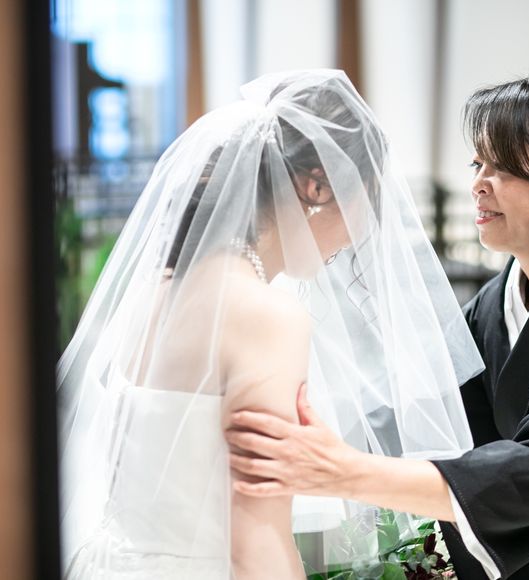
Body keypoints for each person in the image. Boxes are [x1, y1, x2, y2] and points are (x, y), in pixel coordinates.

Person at [57, 69, 483, 579]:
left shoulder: (157, 291)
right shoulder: (266, 315)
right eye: (364, 198)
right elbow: (256, 540)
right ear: (315, 187)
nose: (363, 229)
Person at [227, 61, 529, 580]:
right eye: (477, 164)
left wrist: (345, 472)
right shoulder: (494, 303)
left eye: (503, 167)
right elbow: (429, 416)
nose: (479, 185)